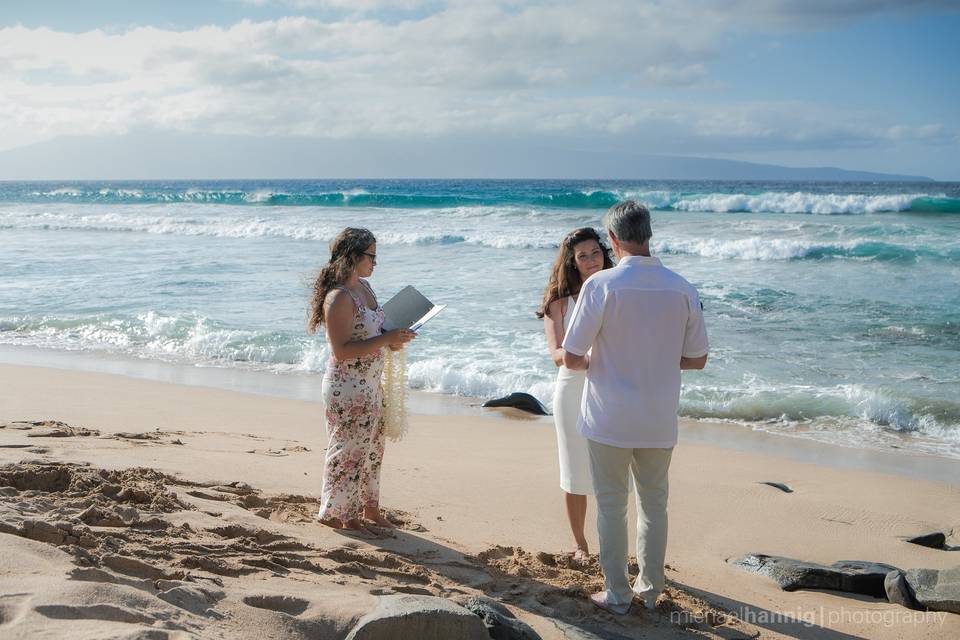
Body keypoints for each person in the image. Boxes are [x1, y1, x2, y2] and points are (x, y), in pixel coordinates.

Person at [561, 201, 708, 615]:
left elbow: (571, 357)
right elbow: (697, 359)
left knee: (611, 504)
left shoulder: (601, 285)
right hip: (658, 415)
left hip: (609, 414)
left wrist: (608, 360)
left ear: (612, 239)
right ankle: (649, 589)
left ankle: (618, 594)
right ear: (648, 235)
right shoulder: (681, 287)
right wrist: (656, 358)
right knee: (654, 504)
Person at [308, 227, 416, 537]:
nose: (375, 262)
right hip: (347, 386)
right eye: (371, 256)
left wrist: (395, 339)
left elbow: (374, 335)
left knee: (372, 449)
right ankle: (343, 515)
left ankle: (370, 508)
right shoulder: (338, 297)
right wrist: (386, 339)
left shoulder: (365, 289)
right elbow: (341, 351)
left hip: (370, 383)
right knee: (348, 451)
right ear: (353, 256)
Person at [537, 227, 614, 561]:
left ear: (605, 253)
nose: (591, 260)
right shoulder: (559, 302)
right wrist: (578, 359)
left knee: (612, 469)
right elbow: (555, 353)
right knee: (574, 469)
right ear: (572, 261)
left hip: (611, 387)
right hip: (572, 387)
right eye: (583, 256)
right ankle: (580, 546)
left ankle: (612, 543)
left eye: (595, 253)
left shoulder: (617, 290)